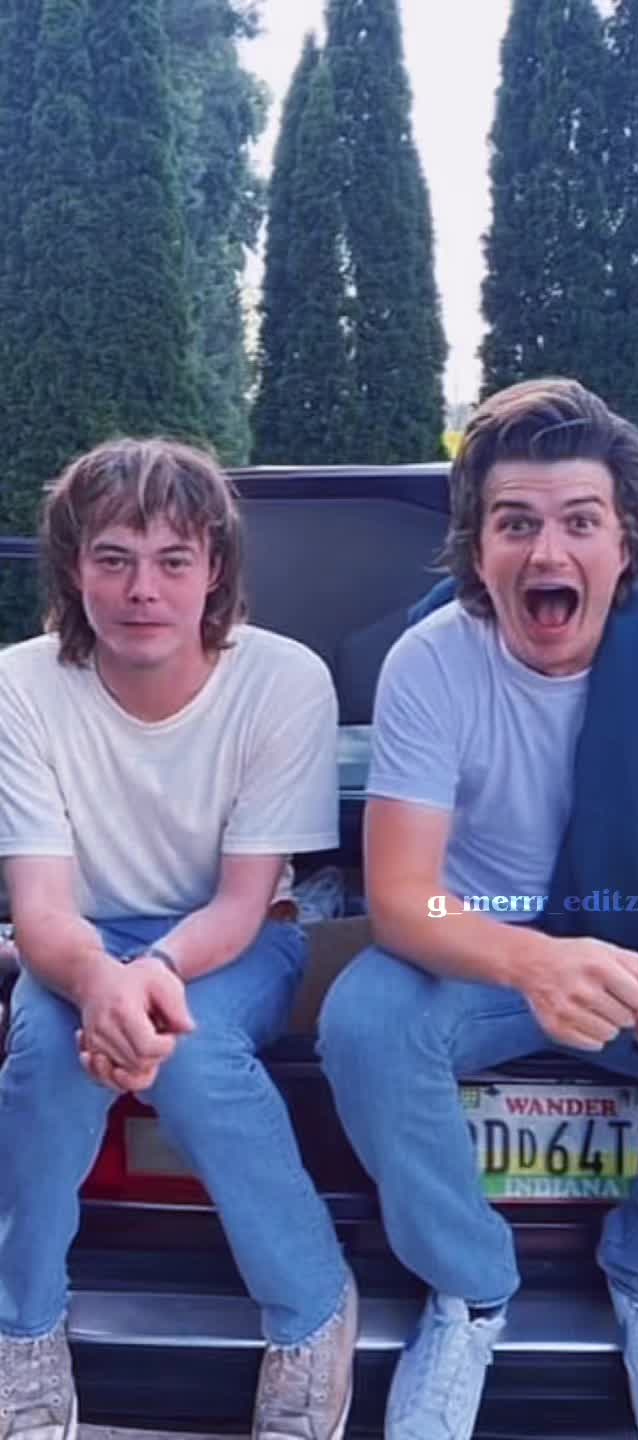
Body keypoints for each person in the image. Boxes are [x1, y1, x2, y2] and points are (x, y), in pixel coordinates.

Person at [318, 377, 638, 1440]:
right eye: (515, 524)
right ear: (476, 551)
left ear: (626, 545)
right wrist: (530, 963)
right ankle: (468, 1291)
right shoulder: (430, 661)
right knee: (364, 1022)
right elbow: (402, 897)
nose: (546, 552)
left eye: (580, 523)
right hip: (481, 957)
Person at [0, 438, 357, 1440]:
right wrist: (100, 982)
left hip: (239, 939)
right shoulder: (20, 685)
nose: (141, 589)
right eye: (113, 558)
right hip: (80, 938)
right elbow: (41, 909)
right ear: (73, 568)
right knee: (47, 1058)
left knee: (193, 1058)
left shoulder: (283, 679)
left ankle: (312, 1311)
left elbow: (244, 904)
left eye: (171, 560)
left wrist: (147, 976)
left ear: (215, 570)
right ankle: (21, 1326)